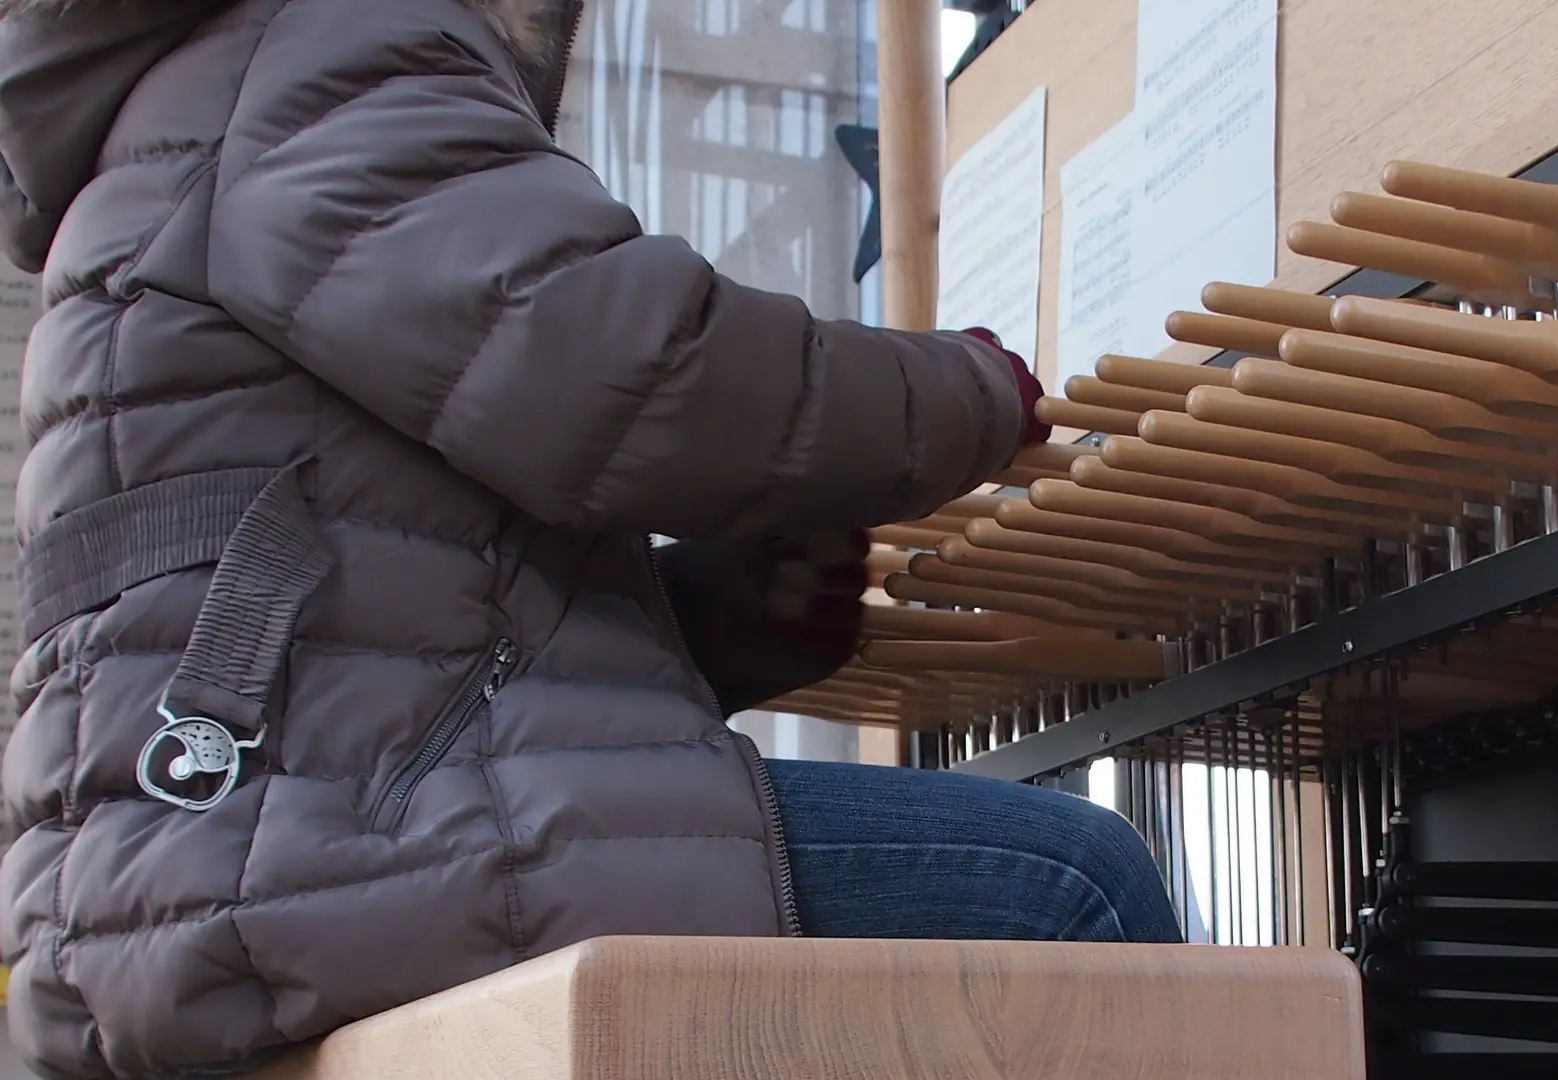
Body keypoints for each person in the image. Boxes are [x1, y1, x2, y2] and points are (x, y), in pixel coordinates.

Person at [0, 0, 1184, 1077]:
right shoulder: (319, 50)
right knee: (1075, 887)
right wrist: (979, 390)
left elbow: (384, 605)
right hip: (289, 870)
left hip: (220, 874)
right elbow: (637, 371)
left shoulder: (202, 103)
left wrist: (712, 621)